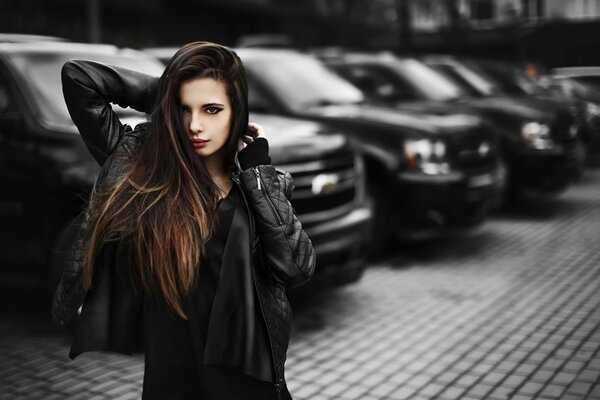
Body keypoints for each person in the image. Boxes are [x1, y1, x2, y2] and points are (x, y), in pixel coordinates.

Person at [51, 41, 316, 399]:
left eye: (211, 109)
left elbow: (297, 268)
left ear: (236, 113)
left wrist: (256, 171)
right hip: (171, 377)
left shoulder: (259, 185)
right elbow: (80, 78)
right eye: (183, 110)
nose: (194, 125)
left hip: (245, 378)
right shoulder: (144, 173)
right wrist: (169, 93)